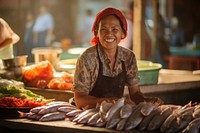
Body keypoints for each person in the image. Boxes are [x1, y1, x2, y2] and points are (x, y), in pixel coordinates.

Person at [72, 7, 163, 109]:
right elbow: (80, 100)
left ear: (123, 33)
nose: (109, 34)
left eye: (115, 29)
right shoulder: (87, 58)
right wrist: (110, 102)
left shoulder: (128, 57)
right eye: (104, 29)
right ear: (97, 32)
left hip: (115, 112)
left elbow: (135, 93)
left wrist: (146, 101)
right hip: (87, 113)